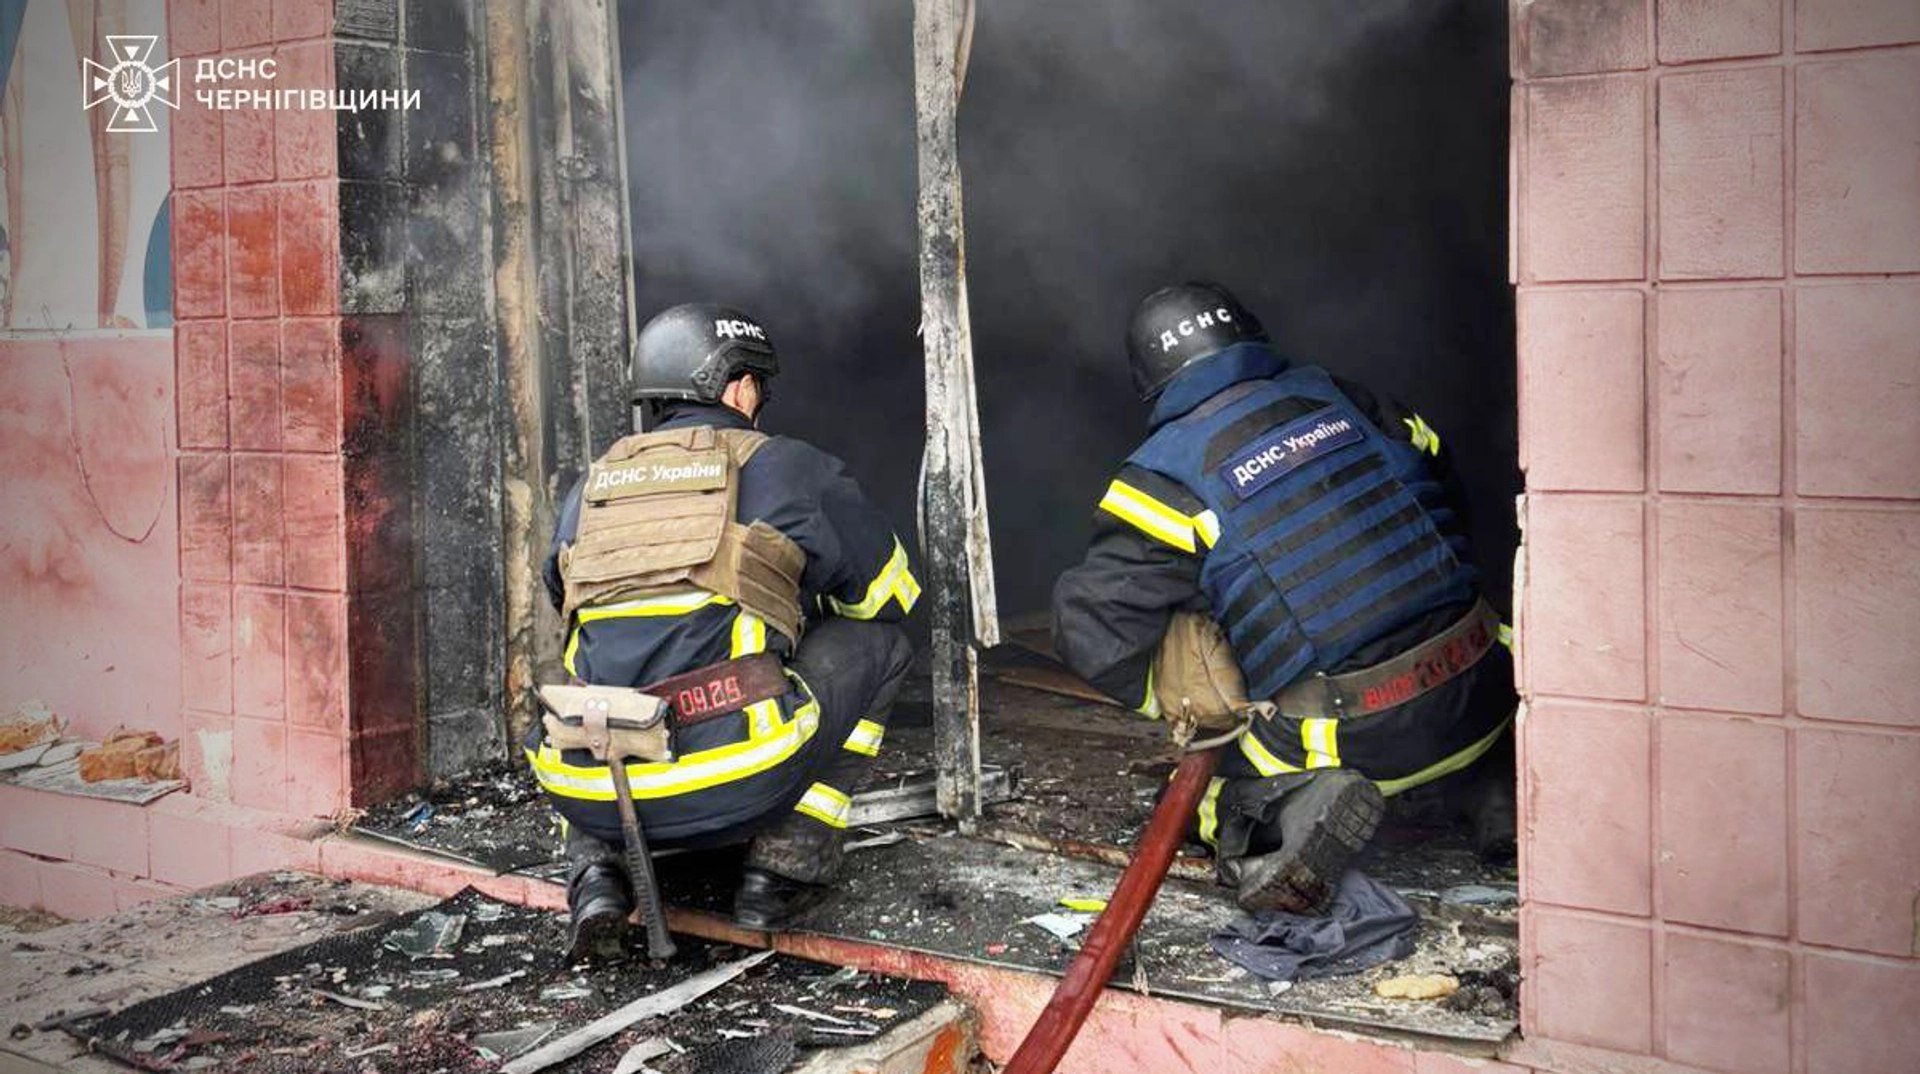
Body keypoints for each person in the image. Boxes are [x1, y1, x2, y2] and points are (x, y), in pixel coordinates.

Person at [1052, 281, 1515, 915]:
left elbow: (1088, 626)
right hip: (1491, 688)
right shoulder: (1353, 399)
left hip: (1353, 738)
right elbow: (1446, 487)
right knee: (1470, 680)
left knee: (1195, 803)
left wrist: (1183, 694)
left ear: (1151, 383)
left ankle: (1287, 814)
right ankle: (1495, 786)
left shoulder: (1161, 478)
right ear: (1250, 336)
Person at [527, 303, 919, 956]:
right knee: (882, 646)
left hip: (588, 791)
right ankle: (786, 866)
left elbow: (561, 597)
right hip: (735, 779)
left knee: (591, 675)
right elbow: (888, 594)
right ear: (737, 389)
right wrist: (788, 599)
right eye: (756, 387)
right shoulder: (788, 466)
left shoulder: (591, 487)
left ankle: (596, 877)